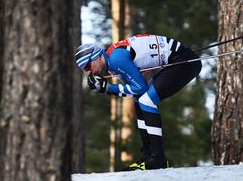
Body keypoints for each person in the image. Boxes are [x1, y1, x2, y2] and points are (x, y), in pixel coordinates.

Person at [75, 34, 202, 171]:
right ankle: (148, 157)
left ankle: (158, 159)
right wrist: (108, 89)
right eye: (85, 70)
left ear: (97, 56)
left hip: (185, 61)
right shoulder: (112, 63)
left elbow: (140, 88)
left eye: (88, 66)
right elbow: (136, 92)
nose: (89, 72)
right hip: (177, 60)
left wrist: (108, 88)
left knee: (146, 101)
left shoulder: (116, 59)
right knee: (140, 101)